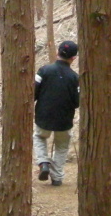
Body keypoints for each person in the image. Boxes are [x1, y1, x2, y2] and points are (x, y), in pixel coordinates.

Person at [34, 40, 79, 186]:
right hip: (64, 119)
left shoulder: (43, 70)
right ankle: (57, 176)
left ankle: (43, 163)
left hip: (43, 116)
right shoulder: (75, 78)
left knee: (39, 137)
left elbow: (33, 91)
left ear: (57, 52)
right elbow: (77, 101)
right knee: (62, 146)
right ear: (73, 58)